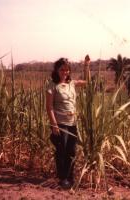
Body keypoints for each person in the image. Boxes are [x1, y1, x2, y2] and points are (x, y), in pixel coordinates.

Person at [46, 55, 90, 189]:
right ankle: (62, 178)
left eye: (67, 70)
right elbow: (49, 107)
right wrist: (54, 125)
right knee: (61, 151)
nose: (65, 72)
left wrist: (86, 65)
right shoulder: (52, 86)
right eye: (62, 70)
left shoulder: (72, 83)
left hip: (72, 123)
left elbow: (87, 82)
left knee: (71, 151)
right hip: (60, 124)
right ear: (56, 71)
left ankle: (70, 178)